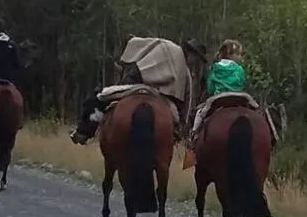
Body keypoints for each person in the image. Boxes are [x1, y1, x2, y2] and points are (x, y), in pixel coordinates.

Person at [70, 36, 207, 144]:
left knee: (102, 97)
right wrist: (181, 126)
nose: (194, 61)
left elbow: (141, 44)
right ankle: (84, 131)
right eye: (195, 57)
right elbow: (187, 102)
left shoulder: (166, 46)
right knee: (172, 125)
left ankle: (84, 132)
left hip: (136, 83)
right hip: (160, 97)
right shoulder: (186, 72)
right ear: (191, 53)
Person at [187, 39, 246, 149]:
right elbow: (241, 84)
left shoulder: (215, 68)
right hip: (238, 97)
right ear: (231, 55)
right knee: (256, 110)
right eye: (239, 54)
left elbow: (210, 88)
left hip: (218, 98)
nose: (241, 57)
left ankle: (193, 134)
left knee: (200, 113)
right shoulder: (239, 69)